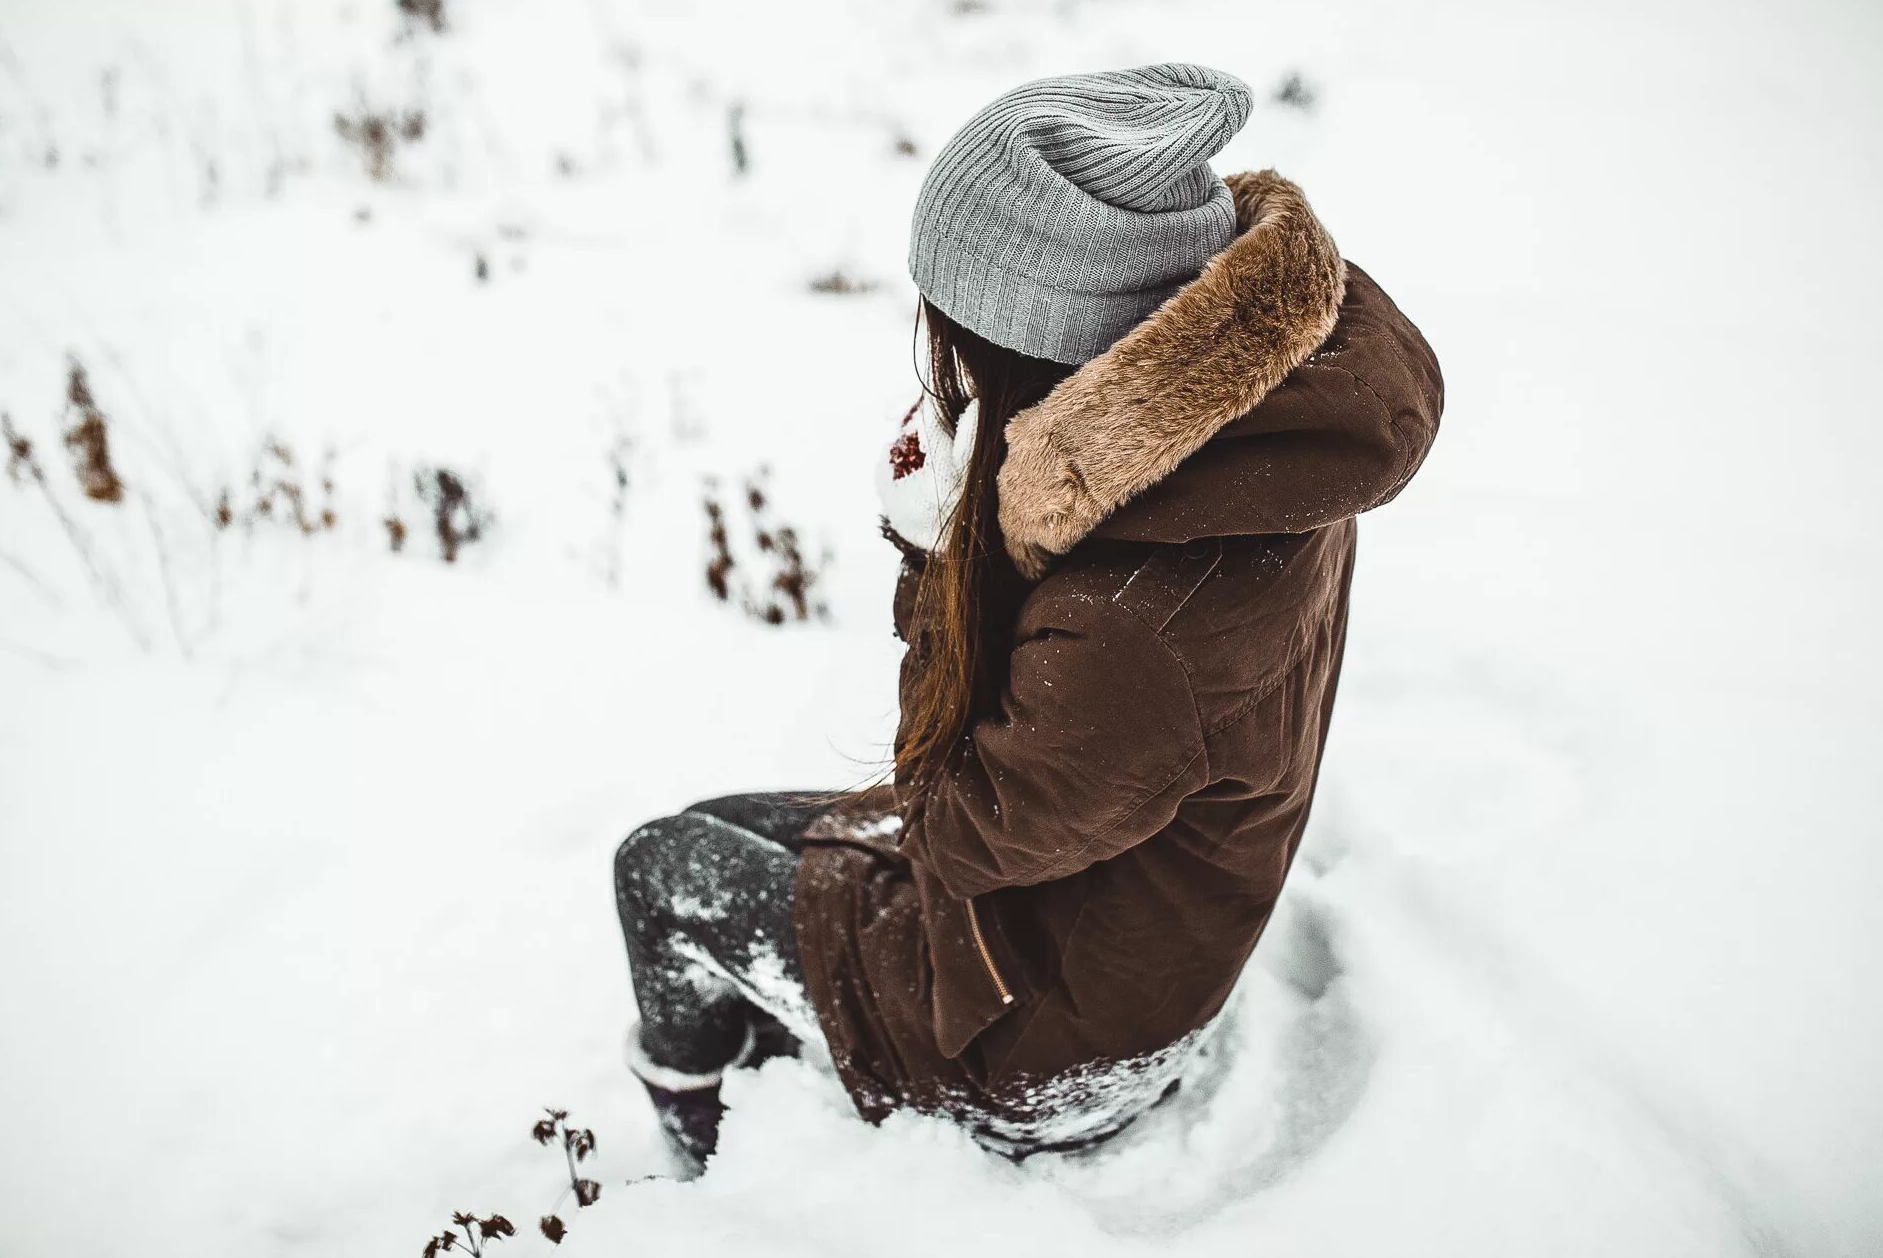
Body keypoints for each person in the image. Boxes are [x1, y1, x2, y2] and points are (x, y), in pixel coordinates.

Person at [613, 63, 1443, 1168]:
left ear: (1037, 346)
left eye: (951, 321)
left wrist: (931, 553)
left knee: (661, 869)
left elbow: (953, 833)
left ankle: (702, 1165)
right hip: (1096, 923)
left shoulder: (1137, 621)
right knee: (720, 823)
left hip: (1042, 1044)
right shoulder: (1253, 450)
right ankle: (778, 1045)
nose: (931, 349)